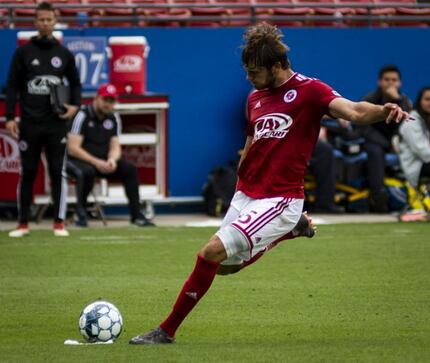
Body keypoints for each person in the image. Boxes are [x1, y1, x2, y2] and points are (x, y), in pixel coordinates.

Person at [129, 24, 409, 345]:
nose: (249, 78)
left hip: (279, 199)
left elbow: (355, 111)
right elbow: (250, 142)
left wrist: (382, 111)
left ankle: (165, 331)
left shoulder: (310, 91)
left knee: (209, 253)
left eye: (254, 72)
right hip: (246, 193)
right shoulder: (255, 98)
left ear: (276, 66)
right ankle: (292, 231)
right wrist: (239, 181)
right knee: (223, 268)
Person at [6, 2, 81, 237]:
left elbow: (76, 84)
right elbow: (12, 86)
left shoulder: (64, 54)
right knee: (27, 172)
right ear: (35, 22)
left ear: (55, 21)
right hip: (29, 123)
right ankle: (22, 223)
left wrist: (74, 107)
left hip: (55, 124)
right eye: (41, 19)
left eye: (49, 19)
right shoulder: (23, 53)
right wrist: (10, 116)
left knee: (57, 172)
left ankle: (59, 222)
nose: (45, 23)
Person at [67, 83, 154, 227]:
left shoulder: (114, 118)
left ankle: (136, 215)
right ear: (96, 98)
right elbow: (73, 148)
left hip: (102, 162)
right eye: (105, 99)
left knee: (129, 169)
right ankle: (80, 212)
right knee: (86, 171)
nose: (108, 104)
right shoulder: (81, 115)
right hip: (78, 161)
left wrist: (112, 160)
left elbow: (115, 146)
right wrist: (96, 162)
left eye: (112, 101)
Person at [359, 65, 412, 212]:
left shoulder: (405, 101)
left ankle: (412, 199)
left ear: (400, 83)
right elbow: (362, 127)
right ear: (379, 82)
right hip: (375, 143)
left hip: (399, 143)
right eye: (386, 79)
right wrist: (387, 143)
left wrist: (397, 100)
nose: (390, 83)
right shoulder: (370, 99)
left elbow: (408, 128)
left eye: (394, 80)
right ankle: (378, 199)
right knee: (374, 150)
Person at [398, 86, 430, 218]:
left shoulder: (427, 120)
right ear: (419, 101)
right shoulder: (412, 121)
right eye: (427, 99)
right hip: (416, 167)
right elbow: (424, 153)